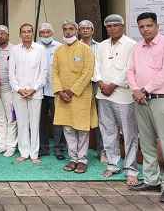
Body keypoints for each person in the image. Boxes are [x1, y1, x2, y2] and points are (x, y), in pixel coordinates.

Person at [127, 12, 164, 204]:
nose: (145, 30)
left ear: (157, 26)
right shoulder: (137, 47)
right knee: (147, 142)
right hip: (141, 100)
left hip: (161, 99)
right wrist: (135, 89)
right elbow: (130, 70)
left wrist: (145, 90)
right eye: (141, 27)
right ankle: (152, 180)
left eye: (149, 26)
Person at [92, 14, 138, 185]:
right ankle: (112, 164)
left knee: (129, 133)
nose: (112, 28)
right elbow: (95, 66)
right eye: (109, 26)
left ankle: (131, 169)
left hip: (124, 96)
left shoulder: (132, 45)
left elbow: (130, 69)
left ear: (123, 26)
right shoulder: (102, 46)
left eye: (115, 25)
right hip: (103, 94)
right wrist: (101, 82)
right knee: (108, 131)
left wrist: (114, 84)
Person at [53, 20, 98, 174]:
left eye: (71, 29)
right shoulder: (59, 50)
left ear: (77, 30)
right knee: (68, 128)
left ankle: (82, 160)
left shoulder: (85, 49)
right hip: (63, 96)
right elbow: (54, 73)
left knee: (82, 129)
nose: (68, 32)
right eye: (65, 29)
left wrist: (72, 91)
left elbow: (88, 72)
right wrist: (60, 92)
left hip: (80, 96)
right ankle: (72, 159)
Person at [9, 23, 47, 164]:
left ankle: (34, 154)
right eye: (24, 32)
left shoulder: (40, 49)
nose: (26, 34)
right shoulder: (14, 50)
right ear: (20, 34)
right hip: (18, 93)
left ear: (33, 33)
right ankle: (24, 152)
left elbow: (43, 73)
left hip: (35, 93)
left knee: (34, 124)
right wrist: (19, 89)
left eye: (29, 31)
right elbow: (11, 73)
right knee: (22, 123)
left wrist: (34, 88)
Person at [37, 23, 65, 160]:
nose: (46, 35)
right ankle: (43, 147)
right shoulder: (36, 47)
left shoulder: (60, 47)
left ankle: (59, 148)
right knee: (41, 120)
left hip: (55, 90)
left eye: (48, 32)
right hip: (39, 90)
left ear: (52, 33)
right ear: (39, 34)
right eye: (43, 32)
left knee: (57, 120)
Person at [79, 19, 105, 163]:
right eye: (82, 28)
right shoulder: (75, 47)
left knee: (101, 119)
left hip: (97, 85)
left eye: (88, 28)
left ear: (93, 30)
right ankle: (79, 153)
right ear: (79, 31)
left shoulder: (100, 47)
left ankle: (102, 150)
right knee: (82, 118)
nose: (85, 30)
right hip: (81, 87)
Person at [0, 25, 17, 157]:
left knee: (11, 118)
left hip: (10, 90)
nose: (0, 36)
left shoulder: (15, 49)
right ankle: (1, 145)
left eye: (3, 33)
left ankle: (11, 146)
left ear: (8, 35)